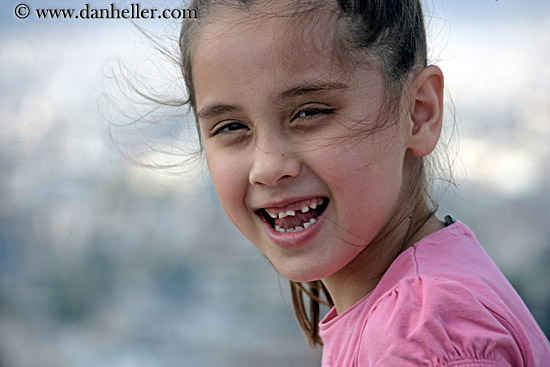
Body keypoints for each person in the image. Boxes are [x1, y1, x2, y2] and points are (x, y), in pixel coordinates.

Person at [176, 0, 550, 365]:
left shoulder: (425, 337)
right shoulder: (418, 310)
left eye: (309, 113)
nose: (268, 167)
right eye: (232, 127)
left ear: (419, 112)